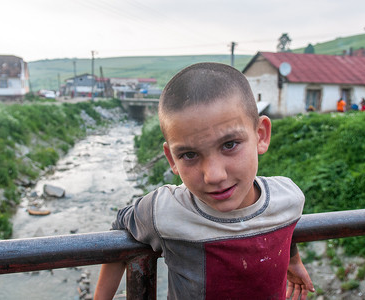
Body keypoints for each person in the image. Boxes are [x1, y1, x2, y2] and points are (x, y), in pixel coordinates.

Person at [95, 63, 314, 300]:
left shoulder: (289, 195)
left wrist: (293, 262)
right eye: (189, 155)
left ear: (261, 135)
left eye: (229, 145)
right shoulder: (164, 210)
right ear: (172, 159)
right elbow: (121, 224)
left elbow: (287, 227)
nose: (214, 175)